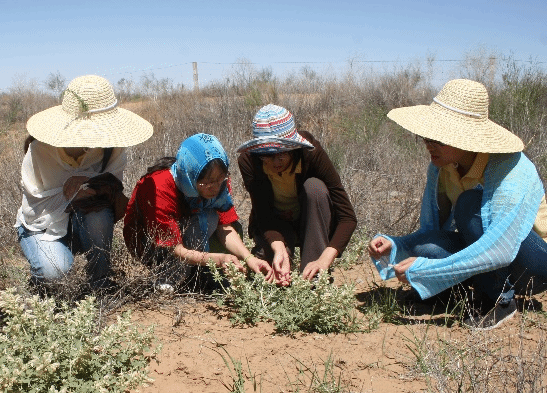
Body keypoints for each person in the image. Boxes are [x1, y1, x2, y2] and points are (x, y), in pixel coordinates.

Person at [368, 78, 547, 329]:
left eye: (438, 138)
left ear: (465, 138)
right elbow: (433, 232)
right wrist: (399, 244)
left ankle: (499, 300)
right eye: (425, 136)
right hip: (490, 255)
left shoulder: (509, 166)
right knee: (428, 246)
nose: (428, 144)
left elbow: (502, 248)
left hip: (532, 264)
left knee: (470, 204)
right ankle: (451, 292)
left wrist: (429, 272)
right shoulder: (441, 166)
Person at [15, 75, 152, 291]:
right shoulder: (39, 151)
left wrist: (88, 182)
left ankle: (99, 281)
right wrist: (69, 195)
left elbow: (112, 188)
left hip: (84, 222)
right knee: (54, 273)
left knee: (99, 213)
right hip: (42, 225)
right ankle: (47, 269)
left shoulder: (111, 147)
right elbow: (33, 209)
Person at [124, 133, 273, 292]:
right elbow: (174, 248)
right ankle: (170, 276)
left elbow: (225, 227)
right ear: (191, 176)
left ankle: (202, 274)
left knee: (214, 218)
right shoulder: (159, 187)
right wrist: (217, 259)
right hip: (152, 244)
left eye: (220, 179)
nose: (215, 188)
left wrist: (249, 258)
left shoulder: (220, 182)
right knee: (205, 218)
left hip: (190, 233)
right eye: (208, 182)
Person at [237, 104, 357, 286]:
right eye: (267, 155)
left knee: (315, 188)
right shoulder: (249, 161)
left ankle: (314, 277)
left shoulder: (311, 153)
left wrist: (324, 259)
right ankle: (283, 255)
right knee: (269, 277)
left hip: (310, 222)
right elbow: (263, 214)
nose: (275, 161)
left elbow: (347, 217)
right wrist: (279, 250)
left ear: (293, 148)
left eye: (282, 154)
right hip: (275, 223)